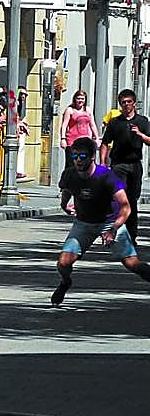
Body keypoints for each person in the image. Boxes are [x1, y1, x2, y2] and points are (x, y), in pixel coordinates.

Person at [51, 136, 150, 307]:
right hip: (84, 223)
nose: (78, 161)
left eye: (82, 156)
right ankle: (65, 282)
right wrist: (64, 205)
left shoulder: (106, 176)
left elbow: (126, 207)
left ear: (92, 157)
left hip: (110, 222)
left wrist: (114, 228)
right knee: (63, 262)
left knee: (133, 264)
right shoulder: (69, 174)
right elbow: (67, 189)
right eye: (74, 156)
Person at [99, 89, 150, 244]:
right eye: (123, 102)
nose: (126, 105)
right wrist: (103, 163)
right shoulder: (115, 122)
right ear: (120, 104)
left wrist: (140, 135)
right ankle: (114, 233)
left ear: (134, 103)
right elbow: (105, 143)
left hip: (134, 165)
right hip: (118, 165)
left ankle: (131, 236)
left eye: (129, 102)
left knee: (132, 200)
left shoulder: (142, 121)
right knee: (119, 200)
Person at [59, 89, 100, 169]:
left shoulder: (88, 110)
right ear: (75, 99)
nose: (80, 101)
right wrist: (63, 139)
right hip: (72, 141)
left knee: (86, 163)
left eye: (82, 99)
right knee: (71, 164)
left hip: (85, 141)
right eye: (78, 98)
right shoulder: (70, 110)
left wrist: (97, 138)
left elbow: (92, 125)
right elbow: (64, 125)